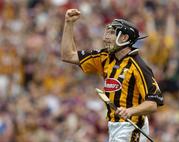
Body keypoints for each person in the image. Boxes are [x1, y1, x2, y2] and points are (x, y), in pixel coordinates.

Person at [60, 9, 164, 142]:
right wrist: (69, 23)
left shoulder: (138, 66)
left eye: (112, 33)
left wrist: (130, 111)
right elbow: (67, 55)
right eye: (107, 32)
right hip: (113, 125)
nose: (106, 37)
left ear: (124, 38)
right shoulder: (104, 57)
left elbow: (153, 103)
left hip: (131, 126)